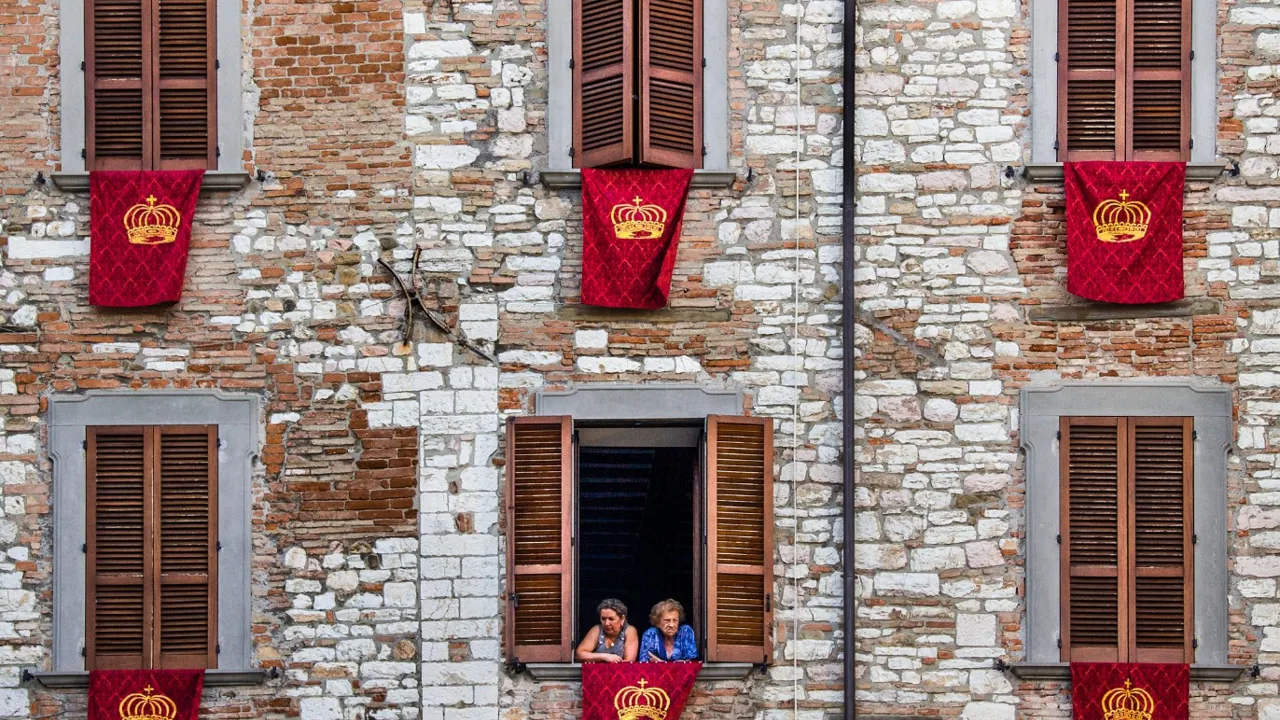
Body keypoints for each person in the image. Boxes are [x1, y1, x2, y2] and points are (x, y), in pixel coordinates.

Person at [576, 598, 639, 663]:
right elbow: (579, 655)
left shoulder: (629, 630)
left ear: (622, 618)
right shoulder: (597, 630)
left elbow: (629, 661)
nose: (606, 623)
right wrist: (605, 656)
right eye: (603, 619)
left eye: (611, 619)